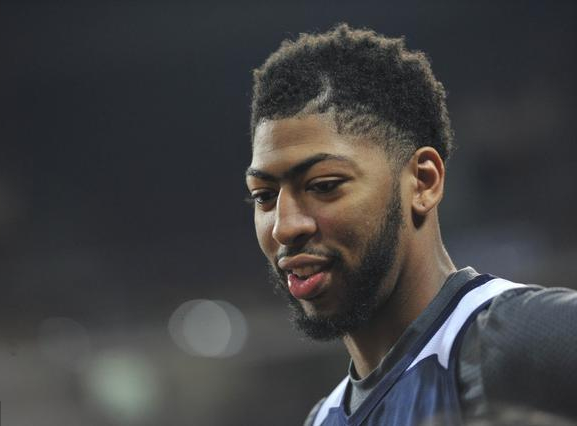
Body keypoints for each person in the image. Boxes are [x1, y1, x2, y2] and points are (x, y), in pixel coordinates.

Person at [244, 24, 577, 425]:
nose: (284, 227)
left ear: (423, 182)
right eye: (264, 196)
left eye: (324, 185)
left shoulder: (517, 338)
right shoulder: (322, 419)